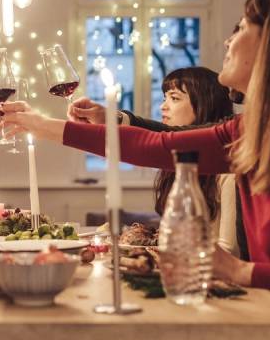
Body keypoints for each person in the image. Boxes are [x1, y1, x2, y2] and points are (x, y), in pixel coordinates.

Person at [1, 0, 270, 340]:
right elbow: (157, 146)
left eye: (241, 28)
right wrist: (39, 124)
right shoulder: (256, 131)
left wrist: (241, 271)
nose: (229, 40)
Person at [71, 67, 239, 256]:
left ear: (204, 104)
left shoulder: (227, 172)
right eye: (165, 98)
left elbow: (230, 251)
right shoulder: (175, 166)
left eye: (174, 98)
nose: (163, 106)